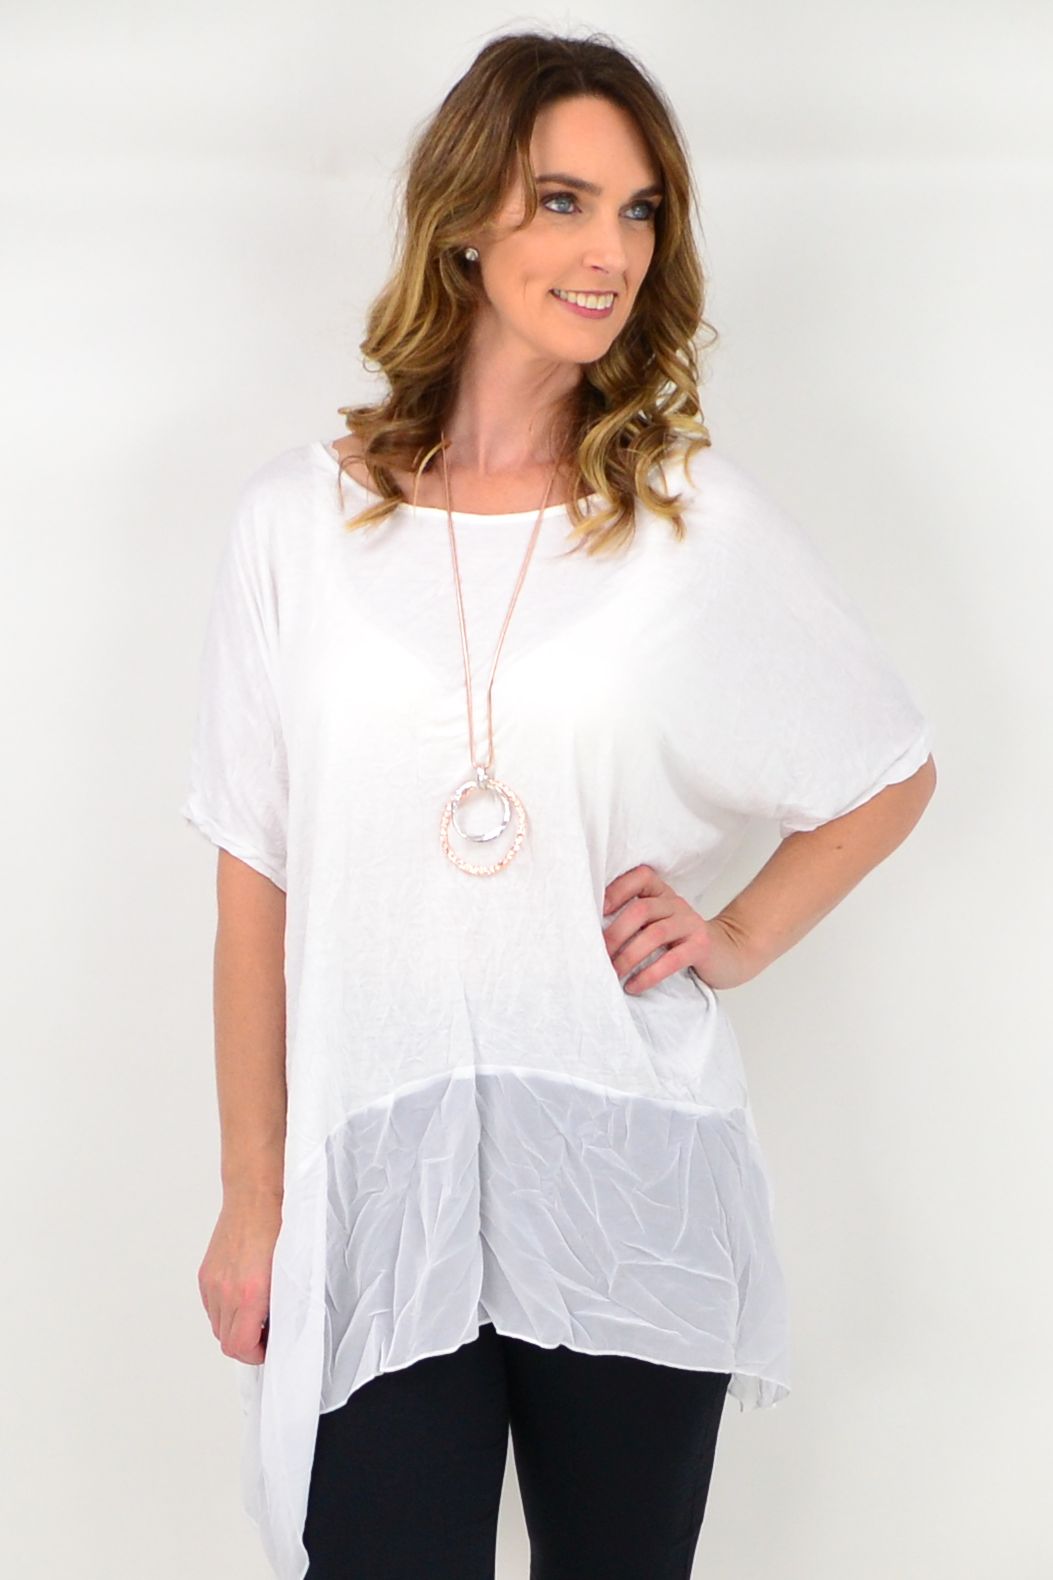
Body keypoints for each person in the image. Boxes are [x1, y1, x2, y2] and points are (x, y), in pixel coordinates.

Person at [182, 30, 937, 1580]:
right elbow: (254, 875)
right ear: (465, 220)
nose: (609, 252)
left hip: (619, 1178)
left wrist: (737, 934)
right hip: (378, 1187)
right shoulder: (294, 527)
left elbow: (886, 767)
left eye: (639, 210)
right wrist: (252, 1201)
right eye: (564, 201)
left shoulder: (681, 518)